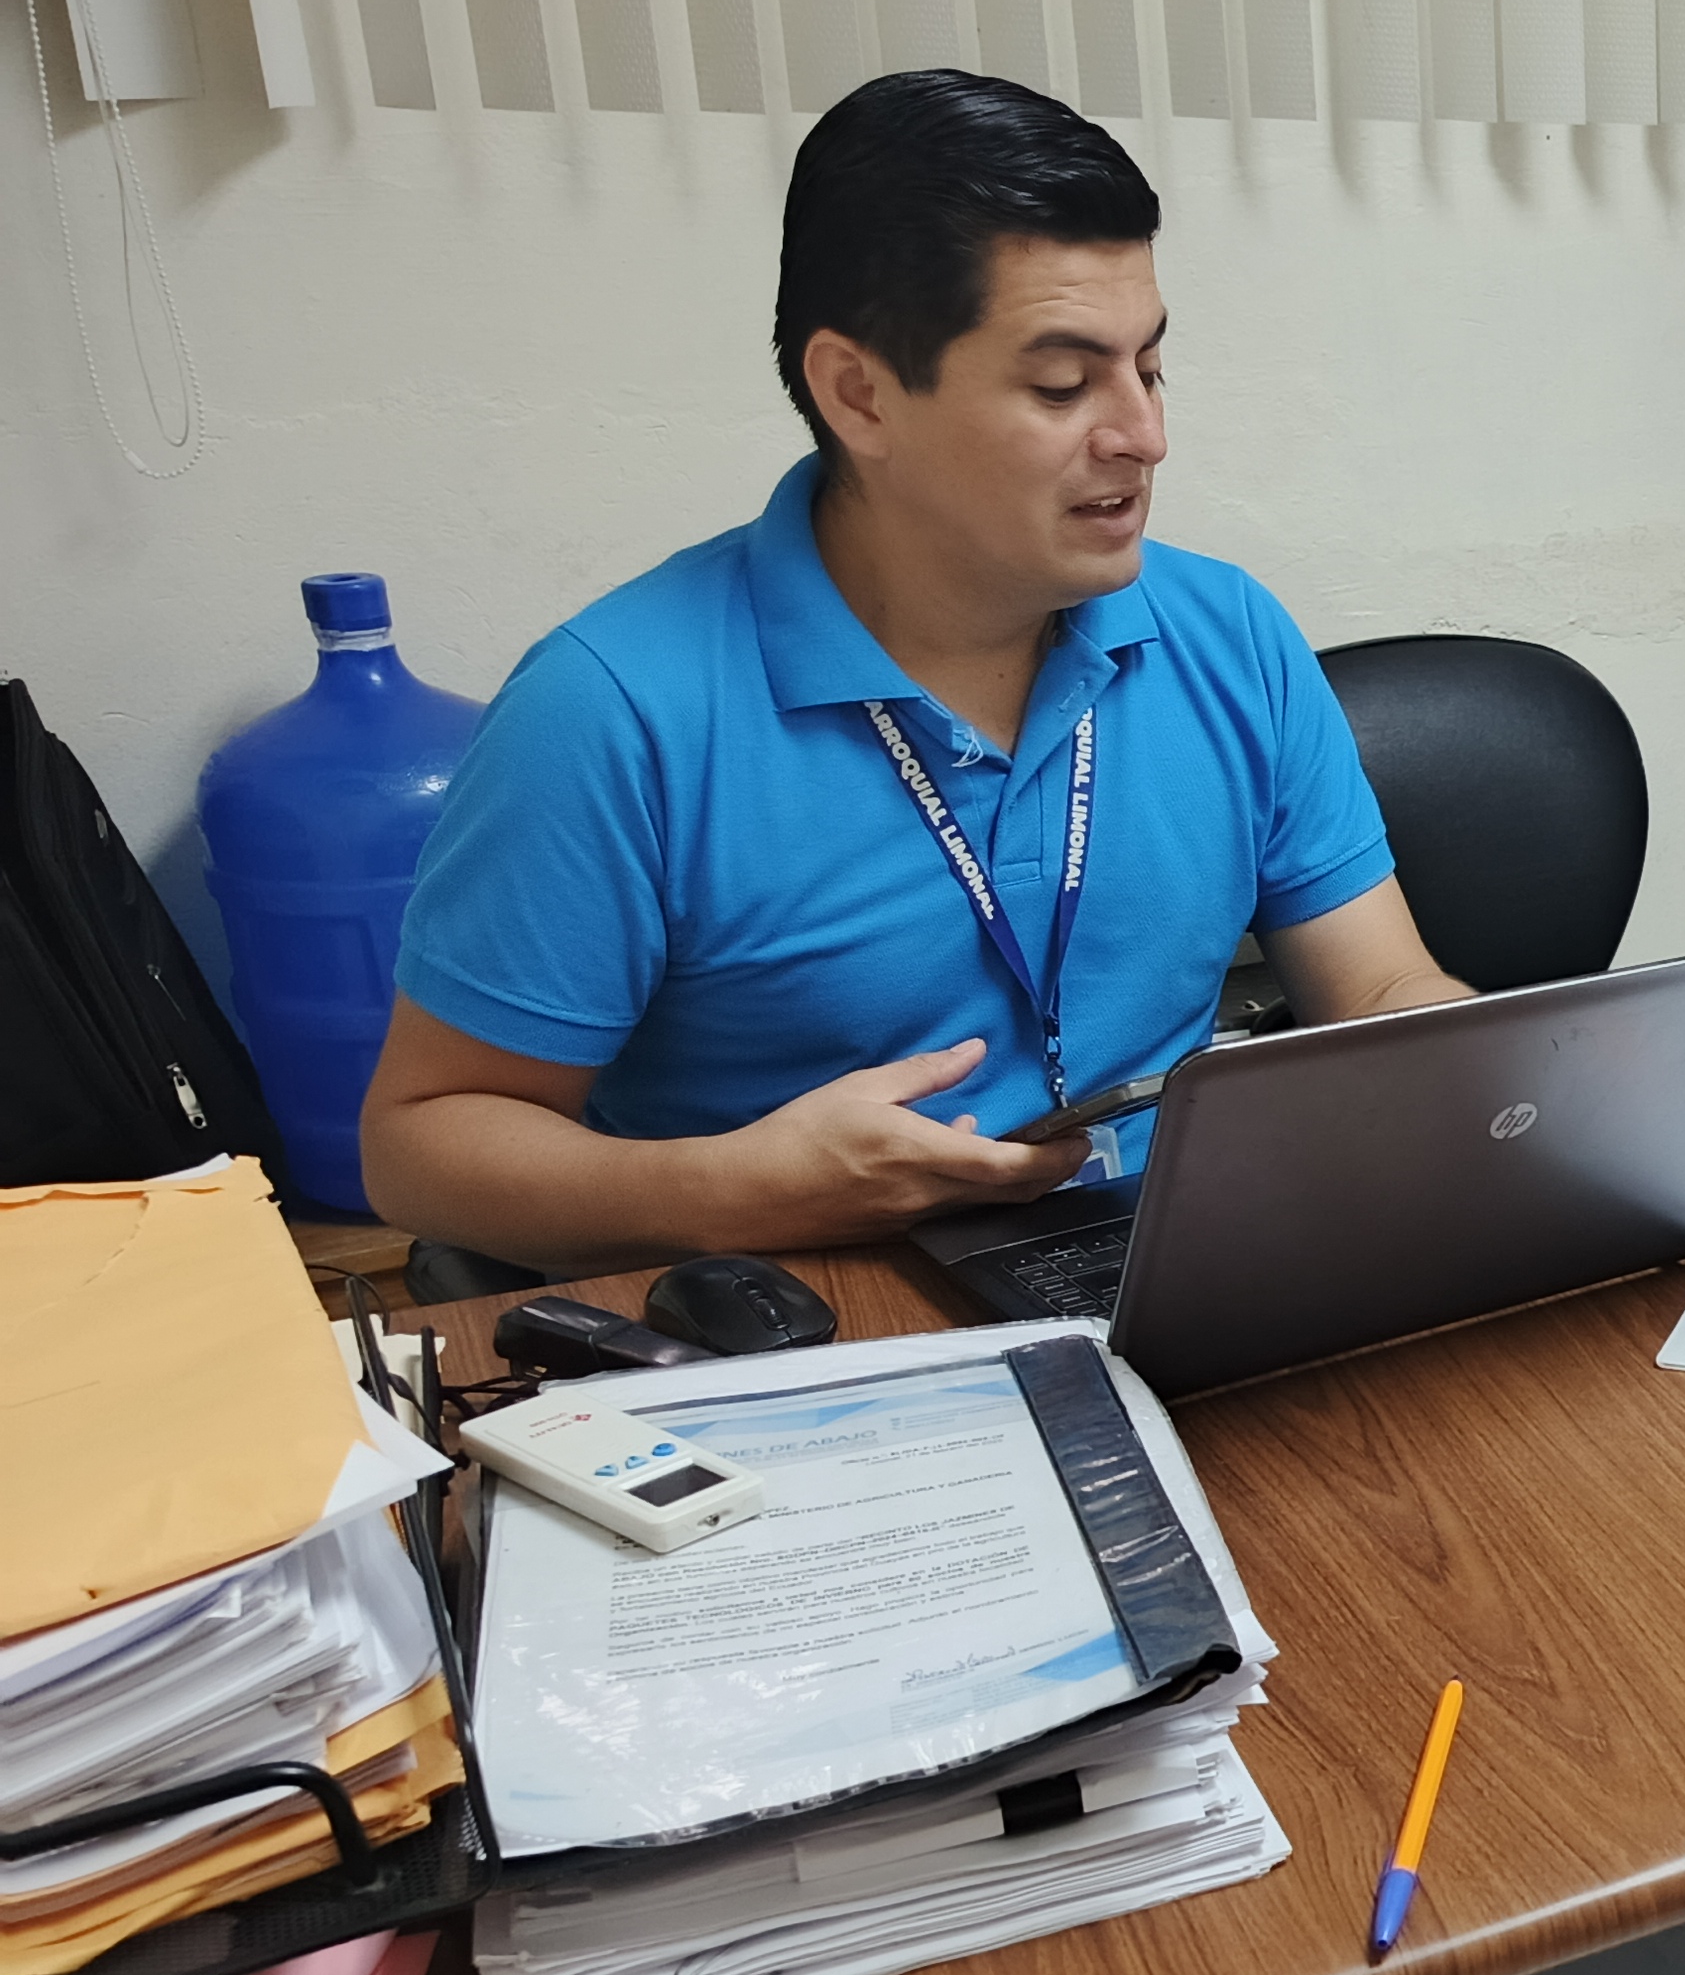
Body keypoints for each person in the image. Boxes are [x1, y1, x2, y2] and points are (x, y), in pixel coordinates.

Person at [364, 71, 1466, 1273]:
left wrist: (1526, 1084)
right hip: (808, 1314)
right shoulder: (612, 709)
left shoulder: (1227, 631)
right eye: (1062, 385)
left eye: (1149, 369)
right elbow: (422, 1146)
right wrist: (730, 1191)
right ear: (860, 395)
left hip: (1178, 1271)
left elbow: (1381, 991)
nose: (1143, 437)